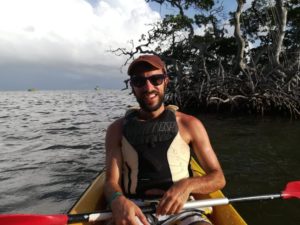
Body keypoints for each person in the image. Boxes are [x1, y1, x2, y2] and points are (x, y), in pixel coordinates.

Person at [104, 55, 226, 225]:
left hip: (183, 210)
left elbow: (218, 178)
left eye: (156, 79)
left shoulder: (190, 124)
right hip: (135, 209)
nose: (148, 87)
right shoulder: (116, 130)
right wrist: (117, 199)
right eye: (139, 81)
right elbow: (111, 182)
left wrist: (187, 185)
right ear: (132, 86)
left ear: (166, 81)